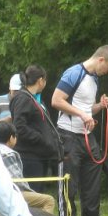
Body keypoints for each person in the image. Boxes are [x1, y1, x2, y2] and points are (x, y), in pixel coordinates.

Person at [52, 45, 108, 216]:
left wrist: (99, 106)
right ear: (101, 60)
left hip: (88, 138)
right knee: (69, 187)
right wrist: (81, 114)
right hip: (68, 136)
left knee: (92, 187)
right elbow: (56, 100)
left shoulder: (95, 79)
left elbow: (87, 109)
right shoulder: (74, 73)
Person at [9, 65, 63, 193]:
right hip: (29, 157)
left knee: (38, 193)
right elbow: (19, 127)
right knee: (34, 196)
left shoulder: (34, 99)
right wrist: (41, 138)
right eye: (45, 80)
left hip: (39, 156)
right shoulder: (23, 98)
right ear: (40, 80)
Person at [0, 122, 55, 213]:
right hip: (9, 193)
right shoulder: (9, 154)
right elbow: (17, 180)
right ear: (11, 138)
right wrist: (32, 193)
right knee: (48, 200)